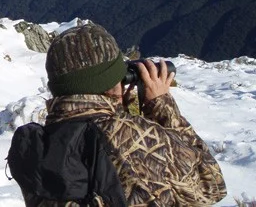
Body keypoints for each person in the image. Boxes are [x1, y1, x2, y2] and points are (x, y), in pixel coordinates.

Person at [24, 22, 227, 206]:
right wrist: (161, 106)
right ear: (112, 81)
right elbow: (212, 186)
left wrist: (121, 110)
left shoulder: (35, 146)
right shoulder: (134, 137)